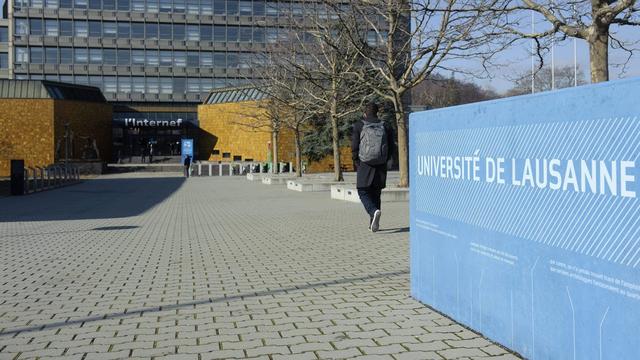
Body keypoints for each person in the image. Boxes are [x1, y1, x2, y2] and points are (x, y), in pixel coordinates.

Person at [351, 102, 394, 232]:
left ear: (365, 113)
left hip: (365, 163)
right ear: (377, 112)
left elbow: (354, 146)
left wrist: (356, 161)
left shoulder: (359, 125)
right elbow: (392, 146)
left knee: (362, 191)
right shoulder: (385, 126)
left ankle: (373, 211)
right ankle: (373, 224)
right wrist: (386, 160)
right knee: (376, 193)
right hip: (380, 163)